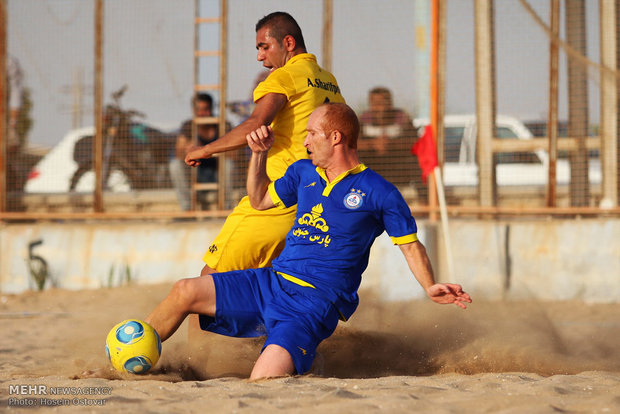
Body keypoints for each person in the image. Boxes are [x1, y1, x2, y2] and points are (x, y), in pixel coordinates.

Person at [145, 103, 472, 380]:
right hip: (270, 282)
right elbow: (258, 200)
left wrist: (429, 286)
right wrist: (258, 155)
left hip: (312, 304)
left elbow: (410, 245)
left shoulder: (379, 191)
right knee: (184, 290)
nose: (305, 142)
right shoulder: (302, 173)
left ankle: (305, 356)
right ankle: (135, 359)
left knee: (263, 382)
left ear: (336, 137)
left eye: (311, 133)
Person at [184, 11, 345, 274]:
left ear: (289, 44)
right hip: (313, 205)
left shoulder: (285, 76)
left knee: (208, 280)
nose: (260, 56)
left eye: (264, 47)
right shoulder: (328, 81)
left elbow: (254, 124)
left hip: (274, 197)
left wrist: (205, 149)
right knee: (258, 288)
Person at [358, 87, 428, 200]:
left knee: (415, 161)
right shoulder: (363, 119)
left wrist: (391, 144)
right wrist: (373, 144)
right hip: (373, 166)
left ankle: (426, 202)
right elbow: (352, 143)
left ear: (390, 103)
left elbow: (414, 142)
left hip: (398, 167)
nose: (378, 107)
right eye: (374, 103)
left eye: (381, 103)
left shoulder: (401, 117)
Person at [169, 93, 220, 211]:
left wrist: (207, 149)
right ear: (193, 110)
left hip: (217, 172)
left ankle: (227, 207)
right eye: (199, 110)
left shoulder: (222, 124)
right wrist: (189, 149)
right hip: (196, 172)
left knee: (228, 165)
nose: (202, 113)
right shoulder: (188, 126)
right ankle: (187, 209)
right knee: (175, 165)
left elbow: (235, 155)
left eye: (206, 109)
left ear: (211, 109)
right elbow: (178, 154)